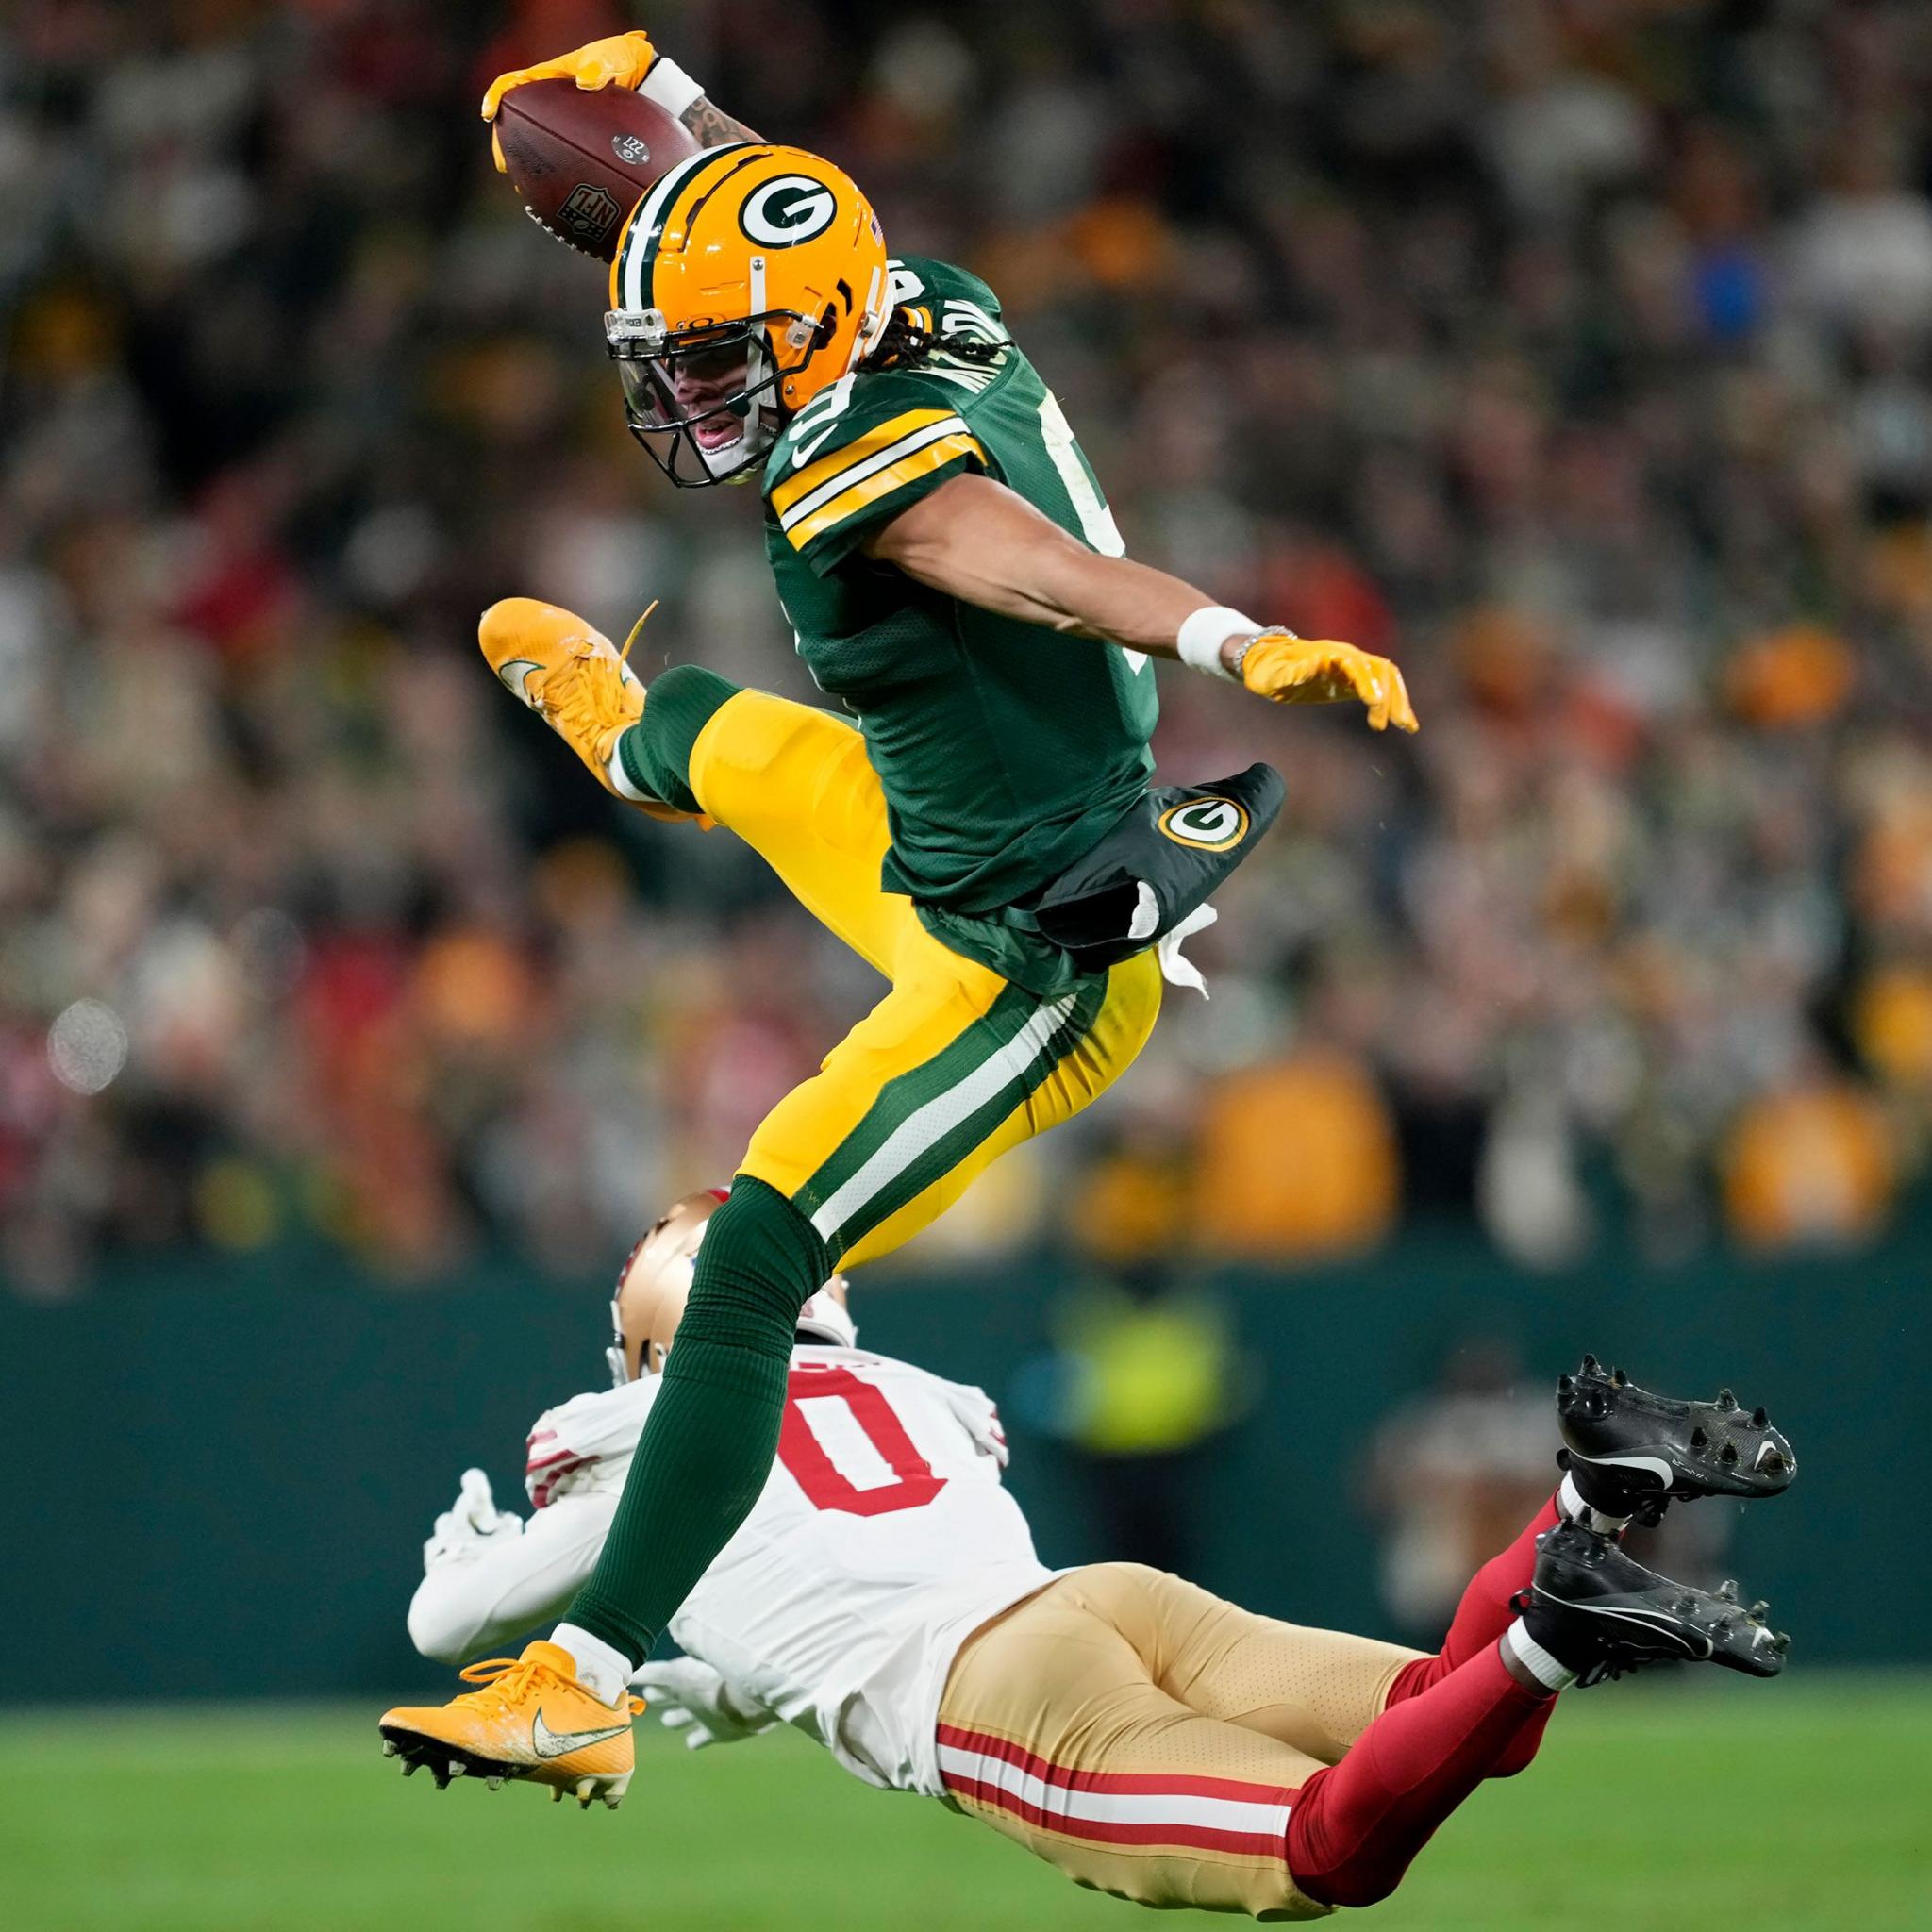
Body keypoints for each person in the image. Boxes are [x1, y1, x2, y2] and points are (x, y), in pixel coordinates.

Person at [390, 21, 1417, 1789]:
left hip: (1021, 952)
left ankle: (583, 1678)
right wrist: (663, 107)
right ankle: (638, 739)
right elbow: (784, 199)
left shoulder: (859, 477)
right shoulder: (910, 292)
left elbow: (1040, 565)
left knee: (755, 1259)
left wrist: (1231, 635)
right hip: (937, 835)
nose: (687, 393)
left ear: (796, 336)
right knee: (725, 738)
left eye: (711, 357)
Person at [381, 1191, 1792, 1918]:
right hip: (1097, 1603)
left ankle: (1560, 1617)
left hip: (1003, 1693)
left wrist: (468, 1558)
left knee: (1325, 1856)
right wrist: (735, 1689)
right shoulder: (909, 1392)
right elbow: (823, 1563)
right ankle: (1583, 1512)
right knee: (1460, 1722)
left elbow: (456, 1623)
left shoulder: (645, 1432)